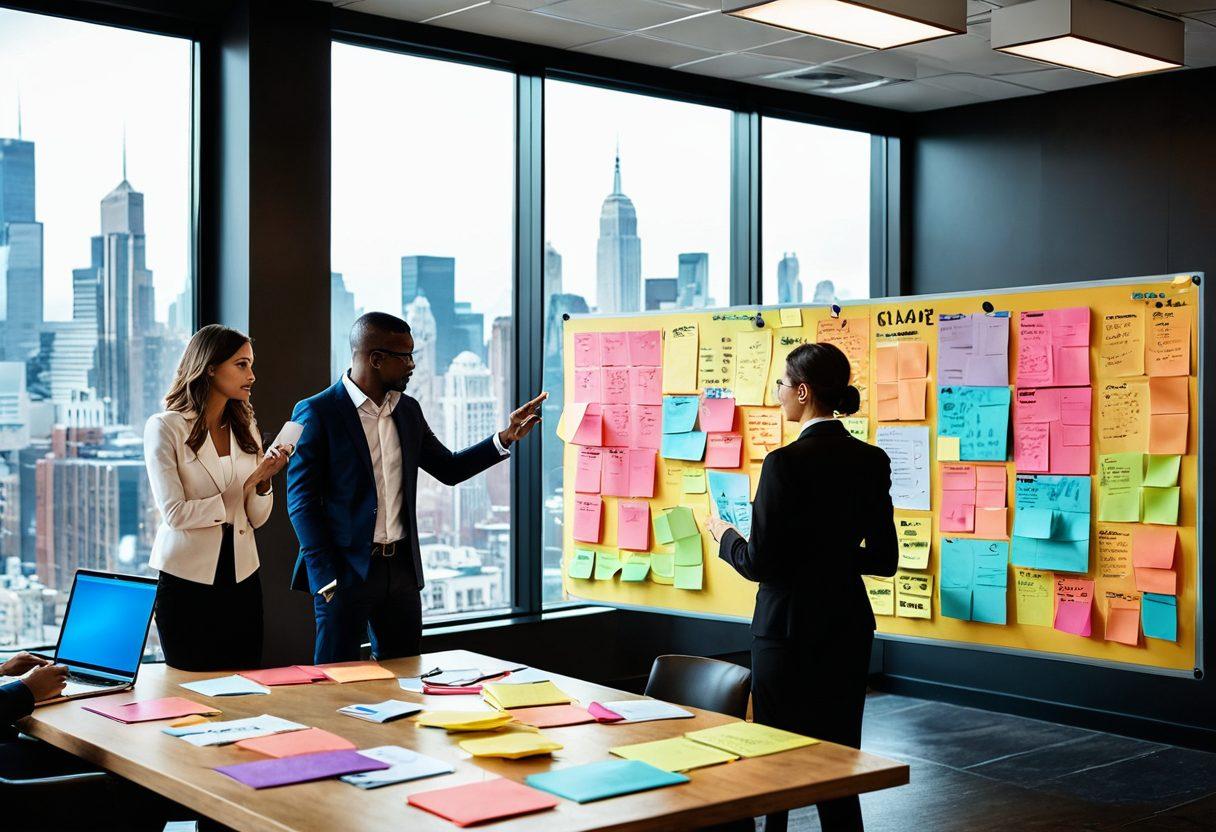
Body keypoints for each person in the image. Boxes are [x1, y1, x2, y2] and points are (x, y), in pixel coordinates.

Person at [706, 342, 898, 832]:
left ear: (803, 391)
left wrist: (724, 537)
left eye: (782, 386)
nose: (778, 395)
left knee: (775, 758)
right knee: (838, 761)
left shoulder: (783, 464)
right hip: (847, 626)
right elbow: (884, 558)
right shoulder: (871, 459)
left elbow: (760, 564)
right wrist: (828, 554)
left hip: (786, 631)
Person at [287, 311, 547, 664]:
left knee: (405, 678)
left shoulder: (408, 410)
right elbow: (301, 502)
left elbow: (449, 468)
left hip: (401, 575)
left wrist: (504, 438)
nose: (412, 365)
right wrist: (326, 578)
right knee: (336, 681)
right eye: (404, 356)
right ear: (375, 359)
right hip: (344, 575)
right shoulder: (318, 412)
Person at [144, 325, 291, 671]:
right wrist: (235, 493)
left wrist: (263, 483)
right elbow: (174, 514)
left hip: (242, 581)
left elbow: (256, 519)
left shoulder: (246, 427)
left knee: (243, 688)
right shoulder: (166, 428)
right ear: (210, 367)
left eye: (251, 365)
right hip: (186, 585)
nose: (252, 376)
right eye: (241, 365)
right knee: (191, 691)